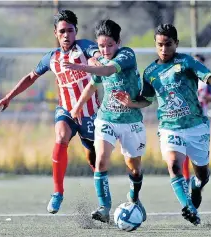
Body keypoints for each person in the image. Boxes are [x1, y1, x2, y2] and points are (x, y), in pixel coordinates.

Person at [114, 24, 211, 225]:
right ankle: (188, 207)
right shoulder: (151, 72)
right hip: (169, 127)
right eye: (160, 45)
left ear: (176, 44)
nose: (164, 49)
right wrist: (131, 103)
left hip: (196, 126)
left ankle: (196, 186)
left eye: (168, 44)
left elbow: (209, 78)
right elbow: (147, 99)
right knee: (173, 164)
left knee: (202, 175)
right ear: (156, 44)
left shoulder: (187, 62)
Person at [0, 10, 101, 214]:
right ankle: (57, 193)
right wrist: (9, 97)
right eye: (62, 31)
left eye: (70, 30)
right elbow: (31, 77)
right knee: (61, 136)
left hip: (90, 114)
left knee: (95, 162)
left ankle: (104, 203)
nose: (67, 35)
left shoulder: (84, 46)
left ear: (76, 31)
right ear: (55, 33)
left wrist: (95, 61)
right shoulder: (52, 57)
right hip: (66, 111)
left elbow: (96, 56)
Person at [64, 19, 147, 223]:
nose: (106, 49)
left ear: (118, 42)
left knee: (134, 168)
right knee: (100, 159)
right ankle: (104, 208)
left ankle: (134, 198)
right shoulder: (100, 59)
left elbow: (107, 71)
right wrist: (77, 107)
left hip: (131, 121)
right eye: (101, 45)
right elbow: (93, 85)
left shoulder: (127, 55)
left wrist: (78, 66)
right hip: (106, 119)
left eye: (110, 44)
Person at [183, 54, 211, 184]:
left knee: (200, 150)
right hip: (185, 120)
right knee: (183, 149)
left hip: (201, 120)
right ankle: (186, 179)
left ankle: (200, 177)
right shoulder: (184, 78)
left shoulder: (206, 80)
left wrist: (205, 97)